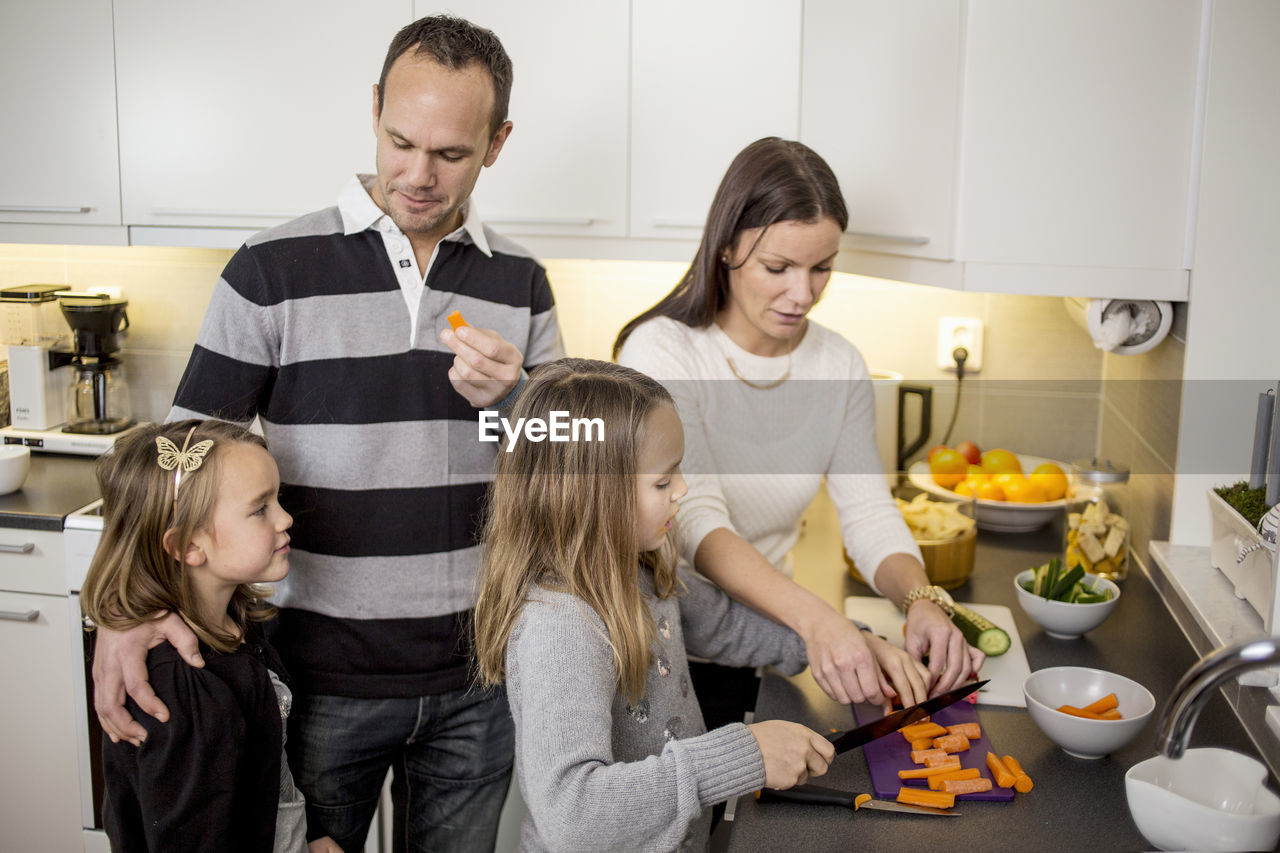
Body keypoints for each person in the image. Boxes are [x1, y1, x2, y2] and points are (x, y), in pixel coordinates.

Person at [89, 15, 563, 853]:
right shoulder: (271, 270)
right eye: (399, 140)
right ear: (375, 108)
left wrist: (520, 397)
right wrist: (123, 611)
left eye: (451, 153)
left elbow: (574, 461)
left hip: (480, 681)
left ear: (497, 143)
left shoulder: (521, 281)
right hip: (313, 677)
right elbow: (178, 467)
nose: (417, 174)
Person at [614, 137, 983, 725]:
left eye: (822, 269)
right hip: (664, 651)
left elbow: (868, 513)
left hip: (771, 640)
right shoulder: (663, 351)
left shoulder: (839, 365)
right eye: (778, 267)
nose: (802, 294)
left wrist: (923, 601)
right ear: (728, 247)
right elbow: (694, 522)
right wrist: (821, 622)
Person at [473, 359, 835, 852]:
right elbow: (571, 814)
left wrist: (842, 644)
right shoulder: (559, 627)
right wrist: (743, 754)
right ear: (590, 494)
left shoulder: (639, 573)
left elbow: (730, 626)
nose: (682, 490)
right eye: (663, 482)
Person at [81, 420, 342, 852]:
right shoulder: (184, 689)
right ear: (187, 546)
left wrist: (309, 838)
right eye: (260, 508)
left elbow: (263, 780)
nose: (285, 518)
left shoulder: (235, 624)